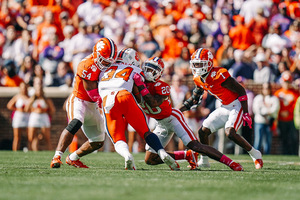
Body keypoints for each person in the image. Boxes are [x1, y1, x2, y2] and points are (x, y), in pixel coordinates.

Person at [134, 56, 243, 171]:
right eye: (147, 68)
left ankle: (231, 163)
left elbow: (153, 103)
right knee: (150, 159)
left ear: (159, 73)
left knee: (196, 146)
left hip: (172, 118)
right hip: (160, 123)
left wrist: (140, 86)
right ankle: (187, 155)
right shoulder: (139, 84)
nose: (148, 72)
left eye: (152, 70)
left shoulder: (161, 86)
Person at [180, 48, 263, 169]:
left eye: (200, 64)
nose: (197, 67)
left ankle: (255, 154)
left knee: (230, 133)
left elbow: (240, 90)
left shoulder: (219, 75)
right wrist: (177, 110)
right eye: (195, 64)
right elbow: (194, 99)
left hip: (236, 105)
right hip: (224, 106)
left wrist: (245, 112)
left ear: (208, 64)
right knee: (203, 131)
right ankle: (204, 160)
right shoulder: (198, 78)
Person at [98, 48, 179, 171]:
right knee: (146, 132)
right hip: (125, 96)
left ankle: (127, 155)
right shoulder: (135, 70)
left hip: (107, 100)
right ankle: (161, 152)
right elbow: (139, 91)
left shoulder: (104, 70)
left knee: (117, 138)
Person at [50, 37, 117, 168]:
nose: (107, 64)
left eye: (110, 61)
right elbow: (91, 92)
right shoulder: (86, 64)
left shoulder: (109, 63)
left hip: (92, 104)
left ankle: (73, 158)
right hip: (80, 99)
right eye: (104, 61)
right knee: (76, 122)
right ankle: (57, 157)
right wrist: (104, 104)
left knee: (98, 140)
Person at [26, 77, 56, 151]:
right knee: (31, 137)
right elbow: (26, 109)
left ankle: (50, 152)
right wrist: (33, 107)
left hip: (43, 117)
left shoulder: (46, 100)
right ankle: (31, 151)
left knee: (47, 137)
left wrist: (45, 111)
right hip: (34, 117)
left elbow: (52, 110)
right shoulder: (32, 99)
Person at [274, 71, 299, 155]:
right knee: (283, 138)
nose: (287, 83)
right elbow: (275, 106)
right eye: (285, 81)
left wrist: (288, 112)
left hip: (292, 119)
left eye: (288, 81)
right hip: (281, 120)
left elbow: (296, 105)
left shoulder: (295, 93)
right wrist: (281, 112)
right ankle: (285, 153)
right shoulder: (278, 93)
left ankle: (293, 154)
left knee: (293, 138)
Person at [253, 83, 280, 154]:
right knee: (258, 140)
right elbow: (256, 109)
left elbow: (275, 109)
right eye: (264, 88)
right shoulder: (258, 98)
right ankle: (256, 155)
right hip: (259, 122)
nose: (266, 90)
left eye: (268, 88)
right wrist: (265, 113)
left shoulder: (274, 98)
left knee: (268, 141)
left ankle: (267, 155)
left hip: (269, 122)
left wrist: (266, 113)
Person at [7, 82, 30, 151]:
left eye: (25, 88)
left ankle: (30, 150)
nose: (24, 89)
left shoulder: (30, 97)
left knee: (29, 137)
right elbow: (9, 105)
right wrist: (18, 109)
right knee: (17, 137)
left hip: (27, 117)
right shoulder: (17, 97)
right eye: (22, 88)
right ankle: (15, 151)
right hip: (18, 117)